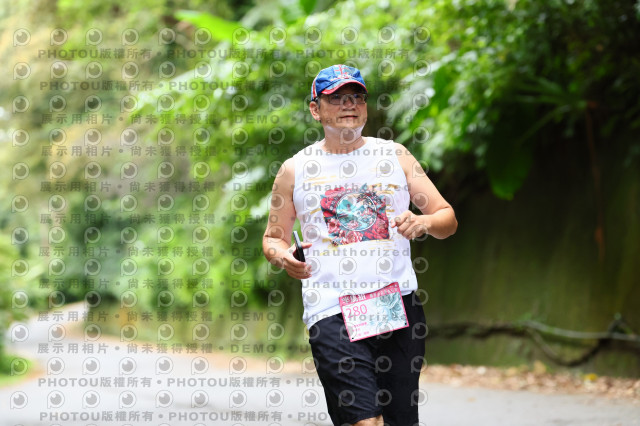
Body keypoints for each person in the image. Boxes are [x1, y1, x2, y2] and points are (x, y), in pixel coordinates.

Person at [262, 64, 457, 426]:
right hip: (331, 309)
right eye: (336, 98)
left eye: (356, 96)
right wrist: (283, 256)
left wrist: (423, 222)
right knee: (365, 421)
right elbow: (274, 237)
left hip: (396, 303)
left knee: (400, 420)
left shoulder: (396, 156)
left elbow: (446, 218)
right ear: (315, 109)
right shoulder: (294, 170)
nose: (349, 104)